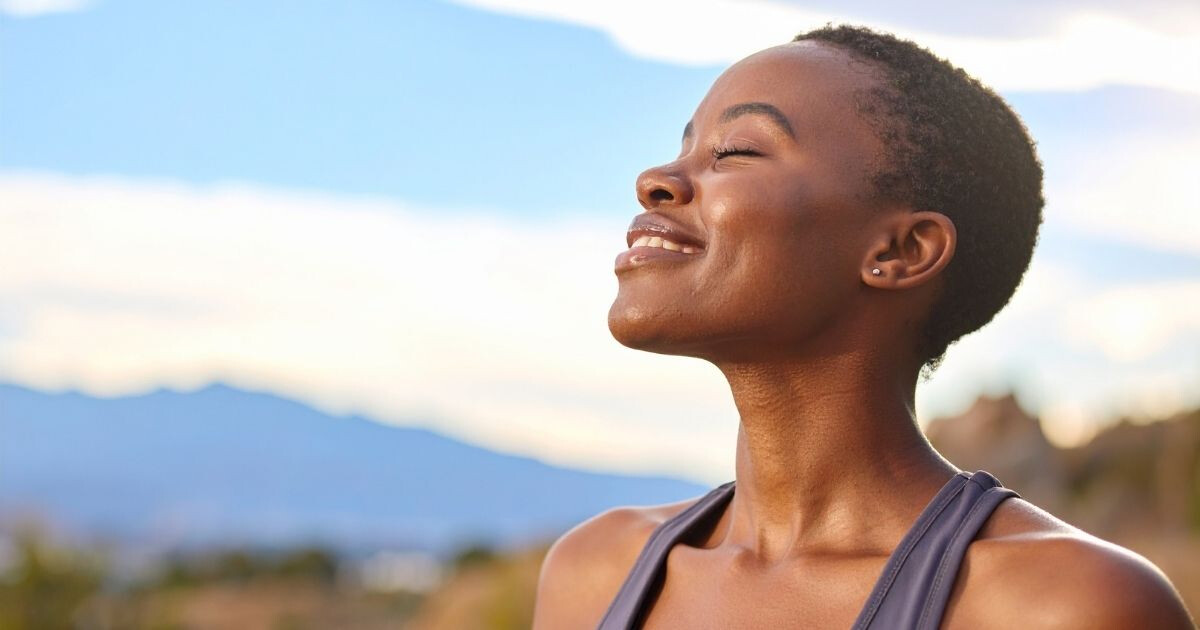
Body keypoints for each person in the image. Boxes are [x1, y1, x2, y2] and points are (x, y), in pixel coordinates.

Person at [530, 24, 1196, 630]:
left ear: (901, 251)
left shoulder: (1060, 606)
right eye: (684, 146)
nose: (654, 180)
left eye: (734, 151)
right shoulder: (594, 573)